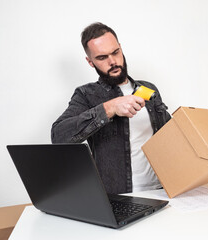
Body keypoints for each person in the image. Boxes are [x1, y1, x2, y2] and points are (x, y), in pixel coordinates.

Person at [51, 22, 171, 194]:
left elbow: (172, 135)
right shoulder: (86, 95)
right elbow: (59, 136)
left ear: (121, 48)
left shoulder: (148, 89)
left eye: (115, 52)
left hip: (163, 190)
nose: (113, 61)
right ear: (90, 62)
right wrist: (109, 108)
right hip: (119, 197)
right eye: (102, 57)